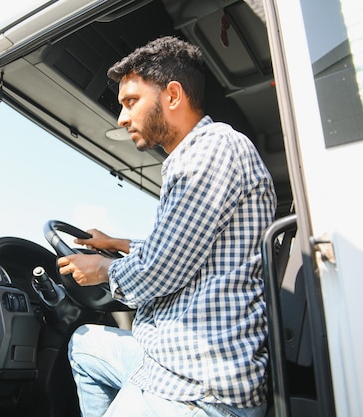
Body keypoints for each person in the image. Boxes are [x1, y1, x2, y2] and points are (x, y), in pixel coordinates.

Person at [57, 36, 277, 417]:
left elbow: (159, 270)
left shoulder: (212, 149)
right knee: (84, 344)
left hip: (199, 386)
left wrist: (102, 270)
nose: (122, 118)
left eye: (131, 102)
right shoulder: (193, 158)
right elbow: (178, 246)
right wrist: (116, 243)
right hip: (171, 357)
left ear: (172, 96)